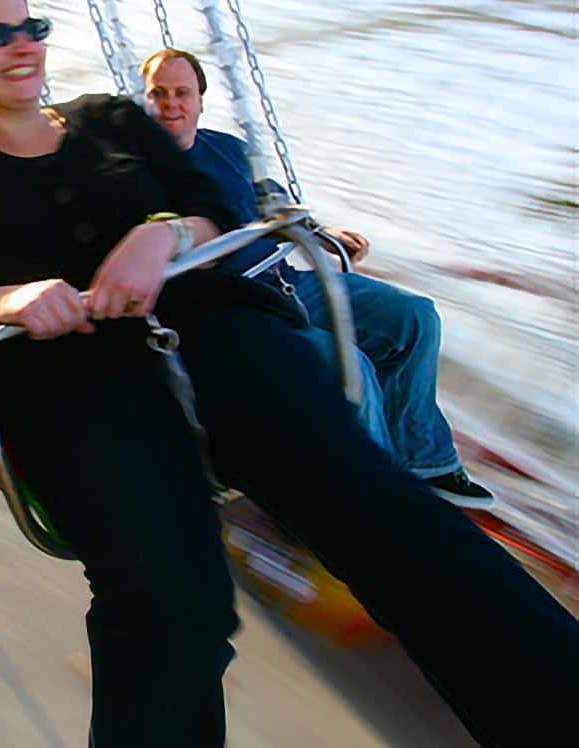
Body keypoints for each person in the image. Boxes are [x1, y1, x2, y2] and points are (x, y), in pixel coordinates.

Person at [0, 0, 576, 747]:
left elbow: (210, 206)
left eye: (31, 27)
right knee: (167, 595)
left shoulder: (107, 120)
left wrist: (163, 236)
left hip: (207, 324)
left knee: (378, 509)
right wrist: (10, 300)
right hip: (64, 375)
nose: (24, 47)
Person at [140, 47, 493, 506]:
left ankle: (426, 461)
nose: (171, 104)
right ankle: (382, 498)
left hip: (288, 281)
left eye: (182, 93)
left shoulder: (229, 150)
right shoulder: (137, 173)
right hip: (237, 306)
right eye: (159, 93)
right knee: (354, 366)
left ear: (200, 101)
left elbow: (277, 209)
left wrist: (323, 234)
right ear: (144, 101)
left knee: (415, 319)